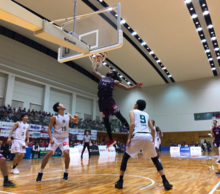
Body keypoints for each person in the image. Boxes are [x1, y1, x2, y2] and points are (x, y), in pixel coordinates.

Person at [115, 100, 172, 190]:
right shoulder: (147, 114)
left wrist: (129, 138)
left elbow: (132, 124)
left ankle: (120, 181)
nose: (134, 104)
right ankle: (165, 181)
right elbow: (152, 129)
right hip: (147, 135)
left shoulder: (132, 111)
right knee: (155, 159)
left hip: (137, 134)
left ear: (137, 105)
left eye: (135, 103)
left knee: (125, 158)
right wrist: (152, 141)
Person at [92, 53, 143, 148]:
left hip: (110, 101)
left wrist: (136, 86)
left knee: (119, 116)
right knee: (105, 120)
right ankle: (111, 139)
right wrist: (97, 62)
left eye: (110, 70)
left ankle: (132, 132)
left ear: (113, 74)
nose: (108, 70)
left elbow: (127, 88)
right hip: (101, 103)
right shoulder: (102, 77)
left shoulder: (115, 82)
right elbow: (94, 71)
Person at [36, 102, 78, 182]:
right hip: (55, 138)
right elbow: (49, 128)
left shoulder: (68, 115)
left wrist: (76, 118)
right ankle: (40, 172)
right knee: (48, 154)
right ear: (58, 107)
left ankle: (66, 172)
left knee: (66, 153)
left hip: (65, 138)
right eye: (62, 104)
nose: (63, 104)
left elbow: (75, 121)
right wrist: (51, 138)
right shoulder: (54, 117)